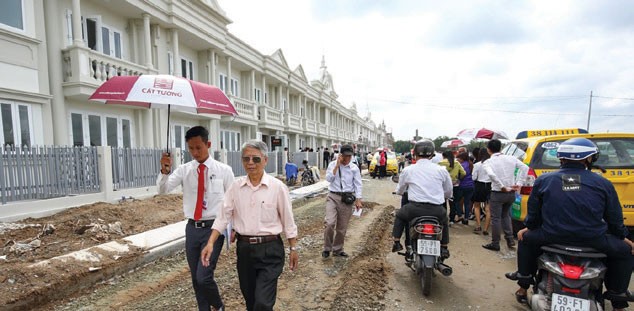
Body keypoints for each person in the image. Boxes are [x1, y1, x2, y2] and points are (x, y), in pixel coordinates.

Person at [505, 138, 634, 310]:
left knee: (525, 239)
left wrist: (529, 228)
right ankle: (618, 298)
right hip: (593, 240)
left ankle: (523, 284)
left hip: (551, 236)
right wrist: (622, 237)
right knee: (625, 251)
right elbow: (615, 219)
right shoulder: (603, 183)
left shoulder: (544, 180)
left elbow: (533, 215)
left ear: (561, 158)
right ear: (589, 159)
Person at [201, 140, 298, 311]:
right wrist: (210, 242)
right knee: (251, 301)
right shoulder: (235, 188)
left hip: (270, 250)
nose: (250, 163)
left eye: (255, 159)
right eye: (246, 159)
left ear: (265, 160)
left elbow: (288, 221)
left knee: (262, 302)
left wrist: (294, 248)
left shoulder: (277, 188)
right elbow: (223, 217)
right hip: (245, 250)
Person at [158, 126, 234, 311]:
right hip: (192, 229)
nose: (195, 152)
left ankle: (218, 305)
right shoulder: (184, 170)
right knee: (195, 278)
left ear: (208, 144)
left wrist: (235, 229)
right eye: (191, 148)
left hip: (214, 229)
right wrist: (165, 171)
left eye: (198, 147)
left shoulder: (224, 170)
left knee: (204, 276)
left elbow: (233, 202)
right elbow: (163, 190)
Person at [391, 140, 453, 258]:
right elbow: (448, 191)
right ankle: (444, 247)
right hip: (437, 209)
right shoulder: (441, 170)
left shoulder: (409, 170)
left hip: (415, 209)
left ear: (414, 153)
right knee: (444, 220)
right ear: (432, 154)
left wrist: (399, 192)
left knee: (400, 215)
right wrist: (445, 196)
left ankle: (397, 242)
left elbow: (400, 189)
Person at [482, 139, 528, 251]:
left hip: (498, 193)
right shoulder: (511, 158)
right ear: (500, 148)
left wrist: (501, 186)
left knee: (496, 218)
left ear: (488, 150)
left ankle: (495, 243)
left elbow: (491, 174)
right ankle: (510, 240)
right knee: (506, 216)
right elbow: (525, 168)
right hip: (511, 192)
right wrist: (519, 183)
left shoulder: (488, 162)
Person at [323, 144, 363, 258]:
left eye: (350, 156)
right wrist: (337, 165)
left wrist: (358, 200)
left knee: (342, 228)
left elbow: (358, 184)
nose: (347, 159)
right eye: (345, 156)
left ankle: (338, 249)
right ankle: (327, 248)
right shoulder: (332, 164)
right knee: (330, 223)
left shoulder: (354, 168)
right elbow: (329, 179)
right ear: (341, 155)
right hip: (333, 196)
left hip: (347, 199)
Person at [438, 151, 466, 224]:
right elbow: (463, 173)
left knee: (443, 202)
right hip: (454, 185)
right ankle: (452, 219)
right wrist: (458, 179)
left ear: (444, 156)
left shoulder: (440, 163)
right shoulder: (457, 163)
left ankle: (443, 218)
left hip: (442, 186)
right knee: (453, 202)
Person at [472, 148, 492, 235]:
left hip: (479, 185)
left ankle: (478, 225)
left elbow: (473, 177)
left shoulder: (477, 165)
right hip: (489, 186)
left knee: (476, 206)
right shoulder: (492, 164)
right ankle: (486, 229)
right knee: (488, 209)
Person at [454, 152, 475, 225]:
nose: (457, 160)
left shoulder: (461, 165)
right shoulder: (470, 164)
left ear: (462, 159)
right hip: (470, 185)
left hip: (462, 185)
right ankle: (466, 218)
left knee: (456, 201)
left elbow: (460, 175)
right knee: (467, 203)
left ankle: (460, 215)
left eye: (458, 159)